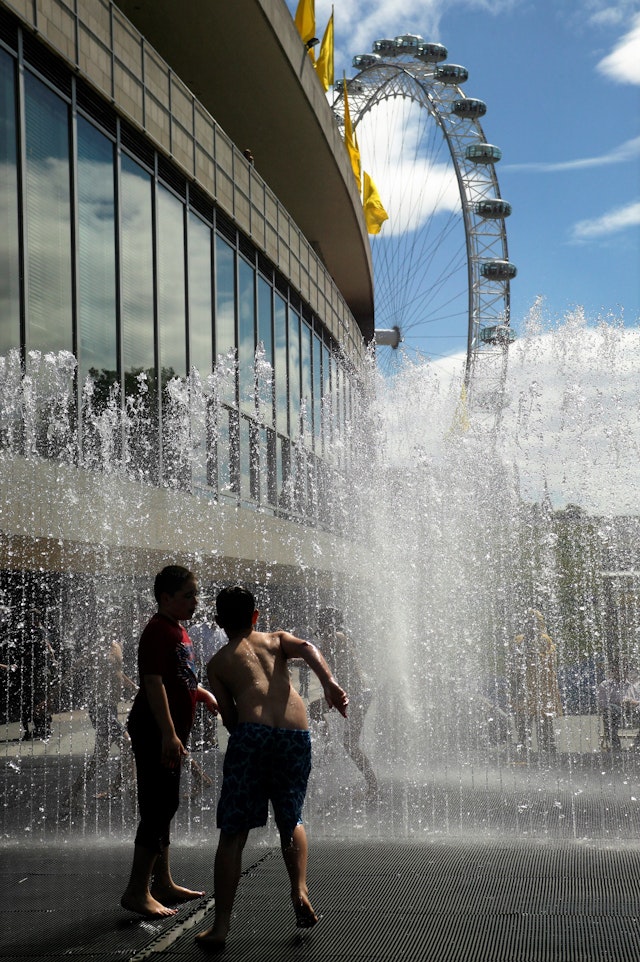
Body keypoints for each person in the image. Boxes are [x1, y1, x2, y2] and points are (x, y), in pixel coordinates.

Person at [196, 585, 348, 951]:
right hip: (295, 736)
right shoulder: (276, 639)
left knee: (233, 832)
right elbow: (309, 648)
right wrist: (330, 683)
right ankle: (298, 890)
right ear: (255, 616)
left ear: (218, 622)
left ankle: (220, 927)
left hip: (252, 735)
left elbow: (232, 721)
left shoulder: (218, 662)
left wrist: (232, 718)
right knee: (290, 817)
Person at [120, 565, 218, 918]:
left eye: (196, 594)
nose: (196, 601)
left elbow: (178, 677)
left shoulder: (178, 630)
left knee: (167, 804)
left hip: (167, 731)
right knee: (158, 806)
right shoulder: (157, 630)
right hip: (154, 731)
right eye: (188, 595)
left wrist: (200, 692)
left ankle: (162, 881)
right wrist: (169, 733)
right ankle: (136, 890)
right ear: (166, 598)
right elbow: (153, 682)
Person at [310, 606, 377, 795]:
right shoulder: (338, 638)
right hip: (350, 694)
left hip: (357, 696)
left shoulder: (335, 639)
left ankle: (372, 785)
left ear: (329, 623)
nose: (320, 625)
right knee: (315, 709)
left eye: (322, 622)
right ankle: (329, 745)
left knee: (349, 744)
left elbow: (316, 660)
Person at [69, 638, 138, 812]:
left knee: (100, 757)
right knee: (128, 745)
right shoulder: (97, 646)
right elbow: (75, 668)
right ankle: (135, 801)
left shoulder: (117, 645)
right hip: (100, 708)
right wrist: (52, 695)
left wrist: (133, 687)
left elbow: (117, 671)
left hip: (111, 707)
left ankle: (72, 794)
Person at [508, 608, 563, 756]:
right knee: (523, 718)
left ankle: (548, 747)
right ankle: (523, 745)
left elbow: (550, 659)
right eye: (527, 622)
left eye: (533, 622)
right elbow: (514, 662)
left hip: (542, 686)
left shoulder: (545, 639)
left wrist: (533, 658)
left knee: (544, 718)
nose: (530, 625)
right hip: (524, 685)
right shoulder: (519, 640)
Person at [598, 664, 640, 751]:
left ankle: (637, 745)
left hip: (632, 715)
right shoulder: (605, 685)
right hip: (615, 716)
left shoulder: (633, 686)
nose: (621, 672)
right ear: (613, 671)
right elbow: (602, 704)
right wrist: (618, 702)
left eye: (624, 670)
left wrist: (633, 702)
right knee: (609, 709)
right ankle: (615, 747)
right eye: (618, 670)